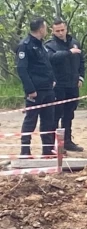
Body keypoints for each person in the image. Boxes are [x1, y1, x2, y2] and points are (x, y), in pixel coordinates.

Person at [16, 17, 56, 156]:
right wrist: (30, 90)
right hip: (35, 90)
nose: (46, 30)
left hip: (48, 89)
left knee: (48, 120)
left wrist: (53, 80)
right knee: (30, 120)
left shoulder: (41, 44)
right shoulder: (25, 45)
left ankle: (48, 150)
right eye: (45, 27)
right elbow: (22, 69)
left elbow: (46, 64)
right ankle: (25, 150)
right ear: (40, 29)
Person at [45, 18, 85, 152]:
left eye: (62, 30)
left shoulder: (74, 43)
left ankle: (67, 141)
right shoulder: (49, 45)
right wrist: (68, 53)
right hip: (58, 86)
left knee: (69, 114)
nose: (61, 33)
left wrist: (81, 77)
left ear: (66, 28)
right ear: (53, 31)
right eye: (57, 31)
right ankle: (55, 144)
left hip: (73, 85)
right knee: (56, 115)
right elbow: (51, 58)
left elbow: (81, 61)